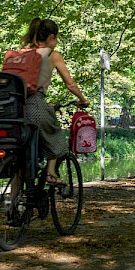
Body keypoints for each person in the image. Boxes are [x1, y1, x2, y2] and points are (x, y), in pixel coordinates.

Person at [19, 18, 90, 185]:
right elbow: (70, 84)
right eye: (57, 38)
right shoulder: (52, 54)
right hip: (35, 105)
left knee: (20, 158)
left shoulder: (21, 54)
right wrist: (82, 100)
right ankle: (51, 173)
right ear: (51, 37)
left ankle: (12, 202)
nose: (57, 42)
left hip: (14, 108)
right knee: (55, 133)